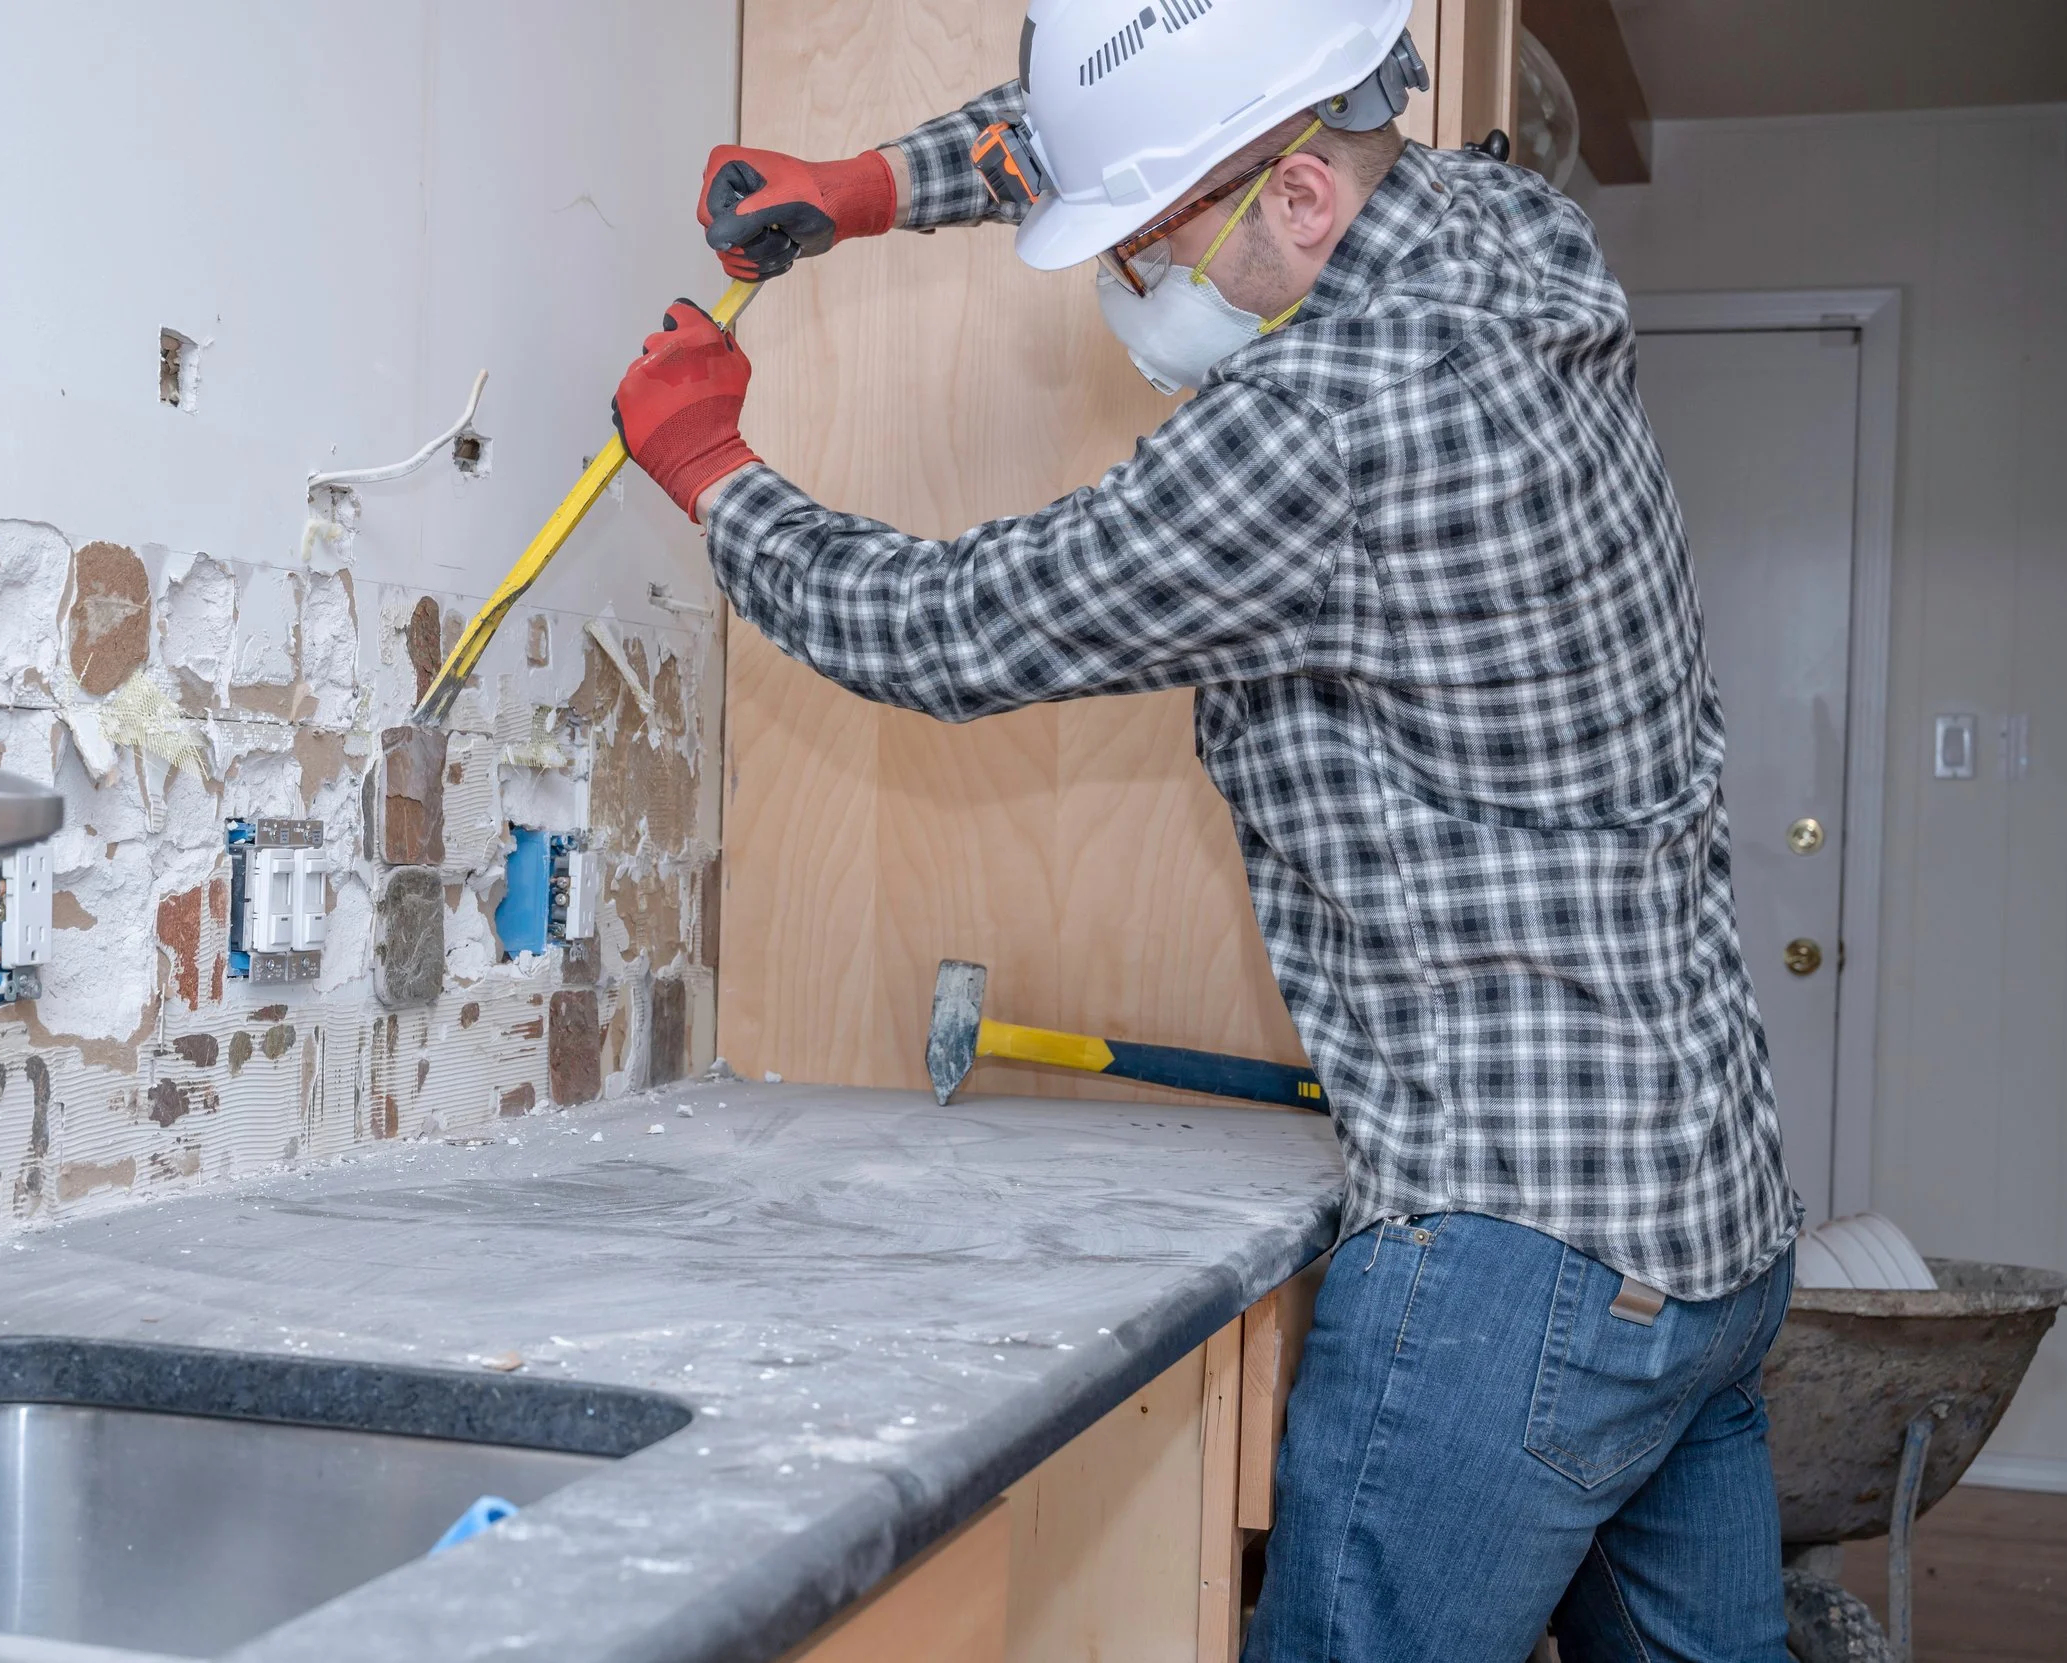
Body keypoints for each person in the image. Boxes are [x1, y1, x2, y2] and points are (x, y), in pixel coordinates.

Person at [612, 2, 1801, 1657]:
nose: (1131, 282)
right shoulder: (1501, 222)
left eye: (1156, 244)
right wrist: (874, 184)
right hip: (1713, 1225)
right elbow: (1139, 128)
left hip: (1512, 1262)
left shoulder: (1324, 427)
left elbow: (958, 626)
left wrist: (711, 467)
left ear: (1301, 202)